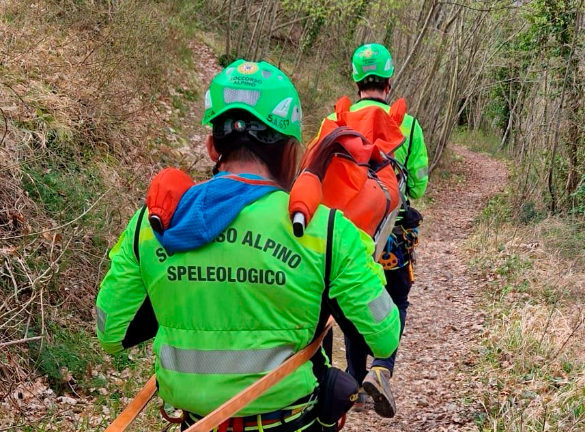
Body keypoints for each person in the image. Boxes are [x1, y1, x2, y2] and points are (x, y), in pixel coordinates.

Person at [95, 60, 401, 432]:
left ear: (211, 147)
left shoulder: (154, 223)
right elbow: (384, 335)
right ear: (292, 152)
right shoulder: (329, 231)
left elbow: (111, 332)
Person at [318, 43, 429, 418]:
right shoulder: (408, 126)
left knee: (352, 298)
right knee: (395, 298)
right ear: (388, 78)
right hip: (392, 232)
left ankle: (353, 375)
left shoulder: (335, 119)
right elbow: (420, 184)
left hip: (344, 234)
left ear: (355, 77)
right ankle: (382, 368)